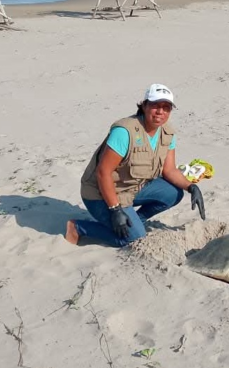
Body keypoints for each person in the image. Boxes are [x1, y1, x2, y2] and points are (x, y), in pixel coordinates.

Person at [66, 83, 205, 247]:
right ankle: (79, 227)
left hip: (132, 189)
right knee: (133, 239)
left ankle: (133, 221)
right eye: (155, 105)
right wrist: (115, 210)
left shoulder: (167, 132)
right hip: (101, 194)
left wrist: (191, 187)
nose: (160, 112)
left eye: (166, 107)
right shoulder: (125, 131)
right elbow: (103, 172)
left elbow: (169, 170)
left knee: (173, 193)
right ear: (144, 105)